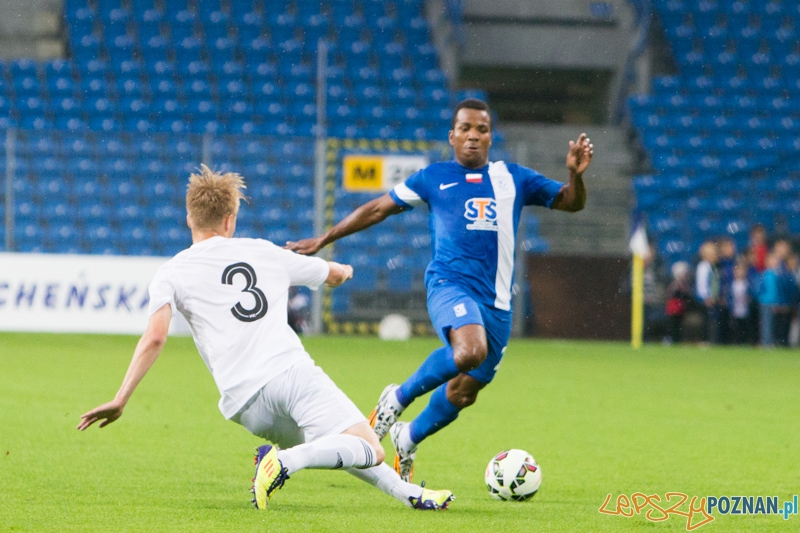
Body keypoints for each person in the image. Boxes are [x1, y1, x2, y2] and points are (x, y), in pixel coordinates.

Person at [77, 165, 453, 511]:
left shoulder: (170, 273)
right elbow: (332, 275)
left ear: (189, 217)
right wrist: (344, 269)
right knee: (370, 446)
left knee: (337, 444)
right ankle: (283, 461)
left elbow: (155, 337)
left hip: (246, 406)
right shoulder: (263, 251)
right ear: (230, 219)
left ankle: (411, 495)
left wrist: (121, 398)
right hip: (289, 374)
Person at [286, 98, 593, 481]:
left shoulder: (514, 178)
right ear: (452, 136)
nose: (473, 136)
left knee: (464, 392)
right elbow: (379, 207)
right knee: (469, 351)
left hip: (496, 304)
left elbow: (571, 203)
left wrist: (575, 176)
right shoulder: (433, 178)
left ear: (490, 136)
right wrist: (324, 238)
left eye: (481, 129)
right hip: (449, 285)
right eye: (465, 128)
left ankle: (407, 438)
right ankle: (396, 399)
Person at [695, 241, 721, 344]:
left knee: (712, 320)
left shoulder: (712, 266)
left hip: (712, 297)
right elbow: (702, 283)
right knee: (707, 320)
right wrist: (706, 297)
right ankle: (706, 340)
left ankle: (712, 340)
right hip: (707, 298)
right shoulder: (703, 266)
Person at [664, 261, 692, 343]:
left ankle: (676, 339)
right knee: (674, 325)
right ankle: (673, 339)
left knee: (677, 324)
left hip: (679, 308)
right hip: (674, 308)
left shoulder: (683, 284)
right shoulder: (676, 284)